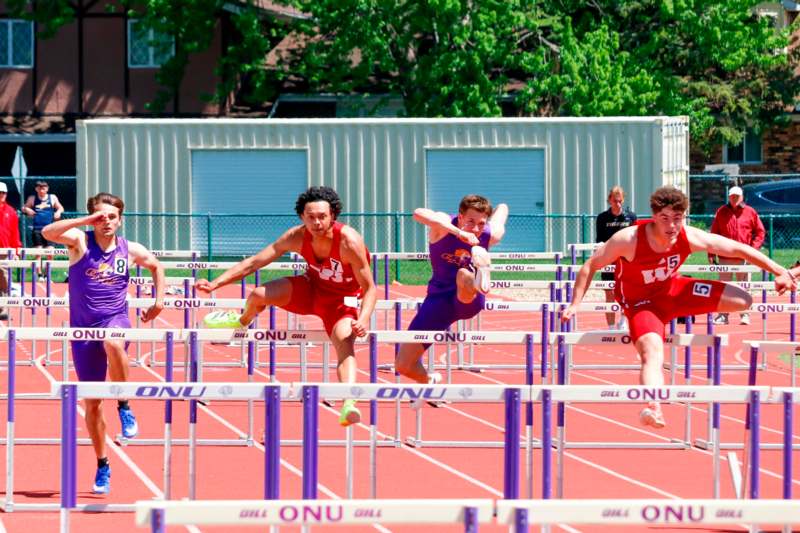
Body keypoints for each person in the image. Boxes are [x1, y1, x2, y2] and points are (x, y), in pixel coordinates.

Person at [562, 186, 794, 429]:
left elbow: (737, 248)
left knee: (742, 300)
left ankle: (680, 315)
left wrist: (780, 271)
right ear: (653, 216)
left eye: (677, 218)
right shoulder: (628, 239)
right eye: (665, 218)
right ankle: (653, 406)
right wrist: (575, 304)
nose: (672, 226)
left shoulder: (688, 236)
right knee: (652, 351)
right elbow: (591, 265)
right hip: (641, 303)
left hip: (674, 292)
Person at [196, 186, 376, 427]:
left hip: (343, 300)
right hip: (310, 289)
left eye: (322, 216)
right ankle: (241, 320)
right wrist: (215, 283)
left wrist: (363, 318)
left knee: (345, 341)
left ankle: (349, 404)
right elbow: (254, 262)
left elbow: (370, 288)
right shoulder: (296, 236)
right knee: (259, 294)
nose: (316, 222)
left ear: (333, 215)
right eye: (310, 217)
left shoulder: (348, 241)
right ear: (302, 216)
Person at [43, 192, 165, 495]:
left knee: (113, 342)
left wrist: (159, 301)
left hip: (115, 321)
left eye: (111, 217)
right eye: (101, 216)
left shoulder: (130, 249)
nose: (106, 221)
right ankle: (103, 463)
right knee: (93, 404)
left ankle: (124, 403)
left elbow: (156, 266)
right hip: (83, 332)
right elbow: (47, 232)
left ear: (120, 220)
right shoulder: (80, 242)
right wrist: (86, 220)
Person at [395, 195, 508, 386]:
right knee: (403, 365)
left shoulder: (489, 234)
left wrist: (502, 207)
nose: (476, 228)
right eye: (471, 222)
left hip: (467, 298)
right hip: (438, 300)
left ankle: (480, 276)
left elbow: (500, 216)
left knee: (463, 274)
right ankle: (431, 380)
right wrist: (458, 232)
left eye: (481, 223)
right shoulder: (443, 225)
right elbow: (418, 213)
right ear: (460, 217)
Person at [709, 185, 765, 326]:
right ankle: (723, 316)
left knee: (744, 287)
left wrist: (752, 250)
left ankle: (745, 315)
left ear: (742, 197)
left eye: (737, 196)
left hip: (744, 258)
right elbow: (714, 234)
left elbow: (760, 232)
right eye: (732, 196)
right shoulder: (721, 212)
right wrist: (711, 253)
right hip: (724, 257)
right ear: (728, 197)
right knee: (723, 288)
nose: (734, 199)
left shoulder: (750, 212)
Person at [595, 186, 637, 329]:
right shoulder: (602, 218)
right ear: (609, 200)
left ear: (623, 200)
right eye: (614, 201)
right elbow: (599, 240)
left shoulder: (631, 216)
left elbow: (635, 238)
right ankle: (611, 326)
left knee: (626, 293)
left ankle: (623, 321)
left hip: (626, 261)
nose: (618, 204)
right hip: (608, 260)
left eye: (620, 201)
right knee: (610, 294)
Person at [0, 181, 22, 321]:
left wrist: (17, 250)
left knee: (4, 279)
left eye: (3, 193)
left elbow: (15, 233)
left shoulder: (11, 211)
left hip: (5, 250)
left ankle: (2, 308)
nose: (1, 195)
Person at [22, 180, 64, 248]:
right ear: (36, 189)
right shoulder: (32, 198)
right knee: (38, 252)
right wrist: (27, 209)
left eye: (43, 188)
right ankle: (39, 258)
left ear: (47, 189)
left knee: (50, 252)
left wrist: (58, 212)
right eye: (39, 188)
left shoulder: (52, 197)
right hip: (37, 229)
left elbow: (61, 208)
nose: (41, 190)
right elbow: (23, 208)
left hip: (50, 229)